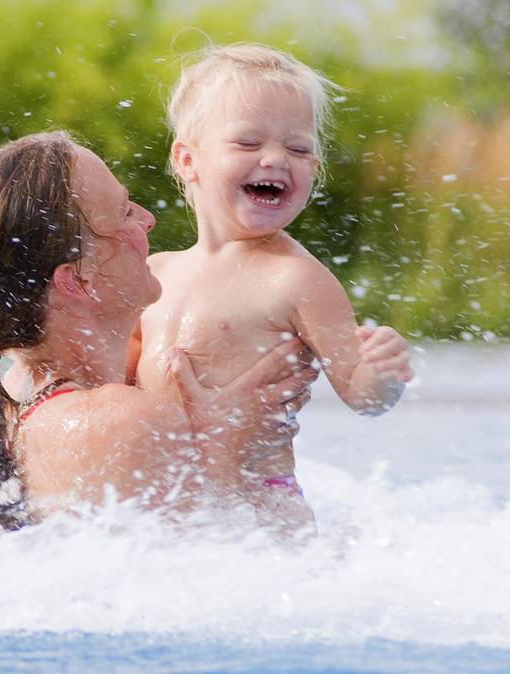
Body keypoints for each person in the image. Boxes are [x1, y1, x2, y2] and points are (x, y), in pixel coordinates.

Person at [0, 131, 317, 539]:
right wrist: (227, 448)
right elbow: (205, 578)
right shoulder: (123, 422)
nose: (146, 218)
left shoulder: (14, 396)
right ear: (78, 281)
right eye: (123, 214)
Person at [130, 44, 414, 529]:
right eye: (247, 143)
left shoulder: (296, 279)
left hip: (259, 503)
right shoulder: (156, 272)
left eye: (299, 149)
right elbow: (116, 380)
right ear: (187, 159)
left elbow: (361, 395)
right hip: (169, 493)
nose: (276, 159)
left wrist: (382, 375)